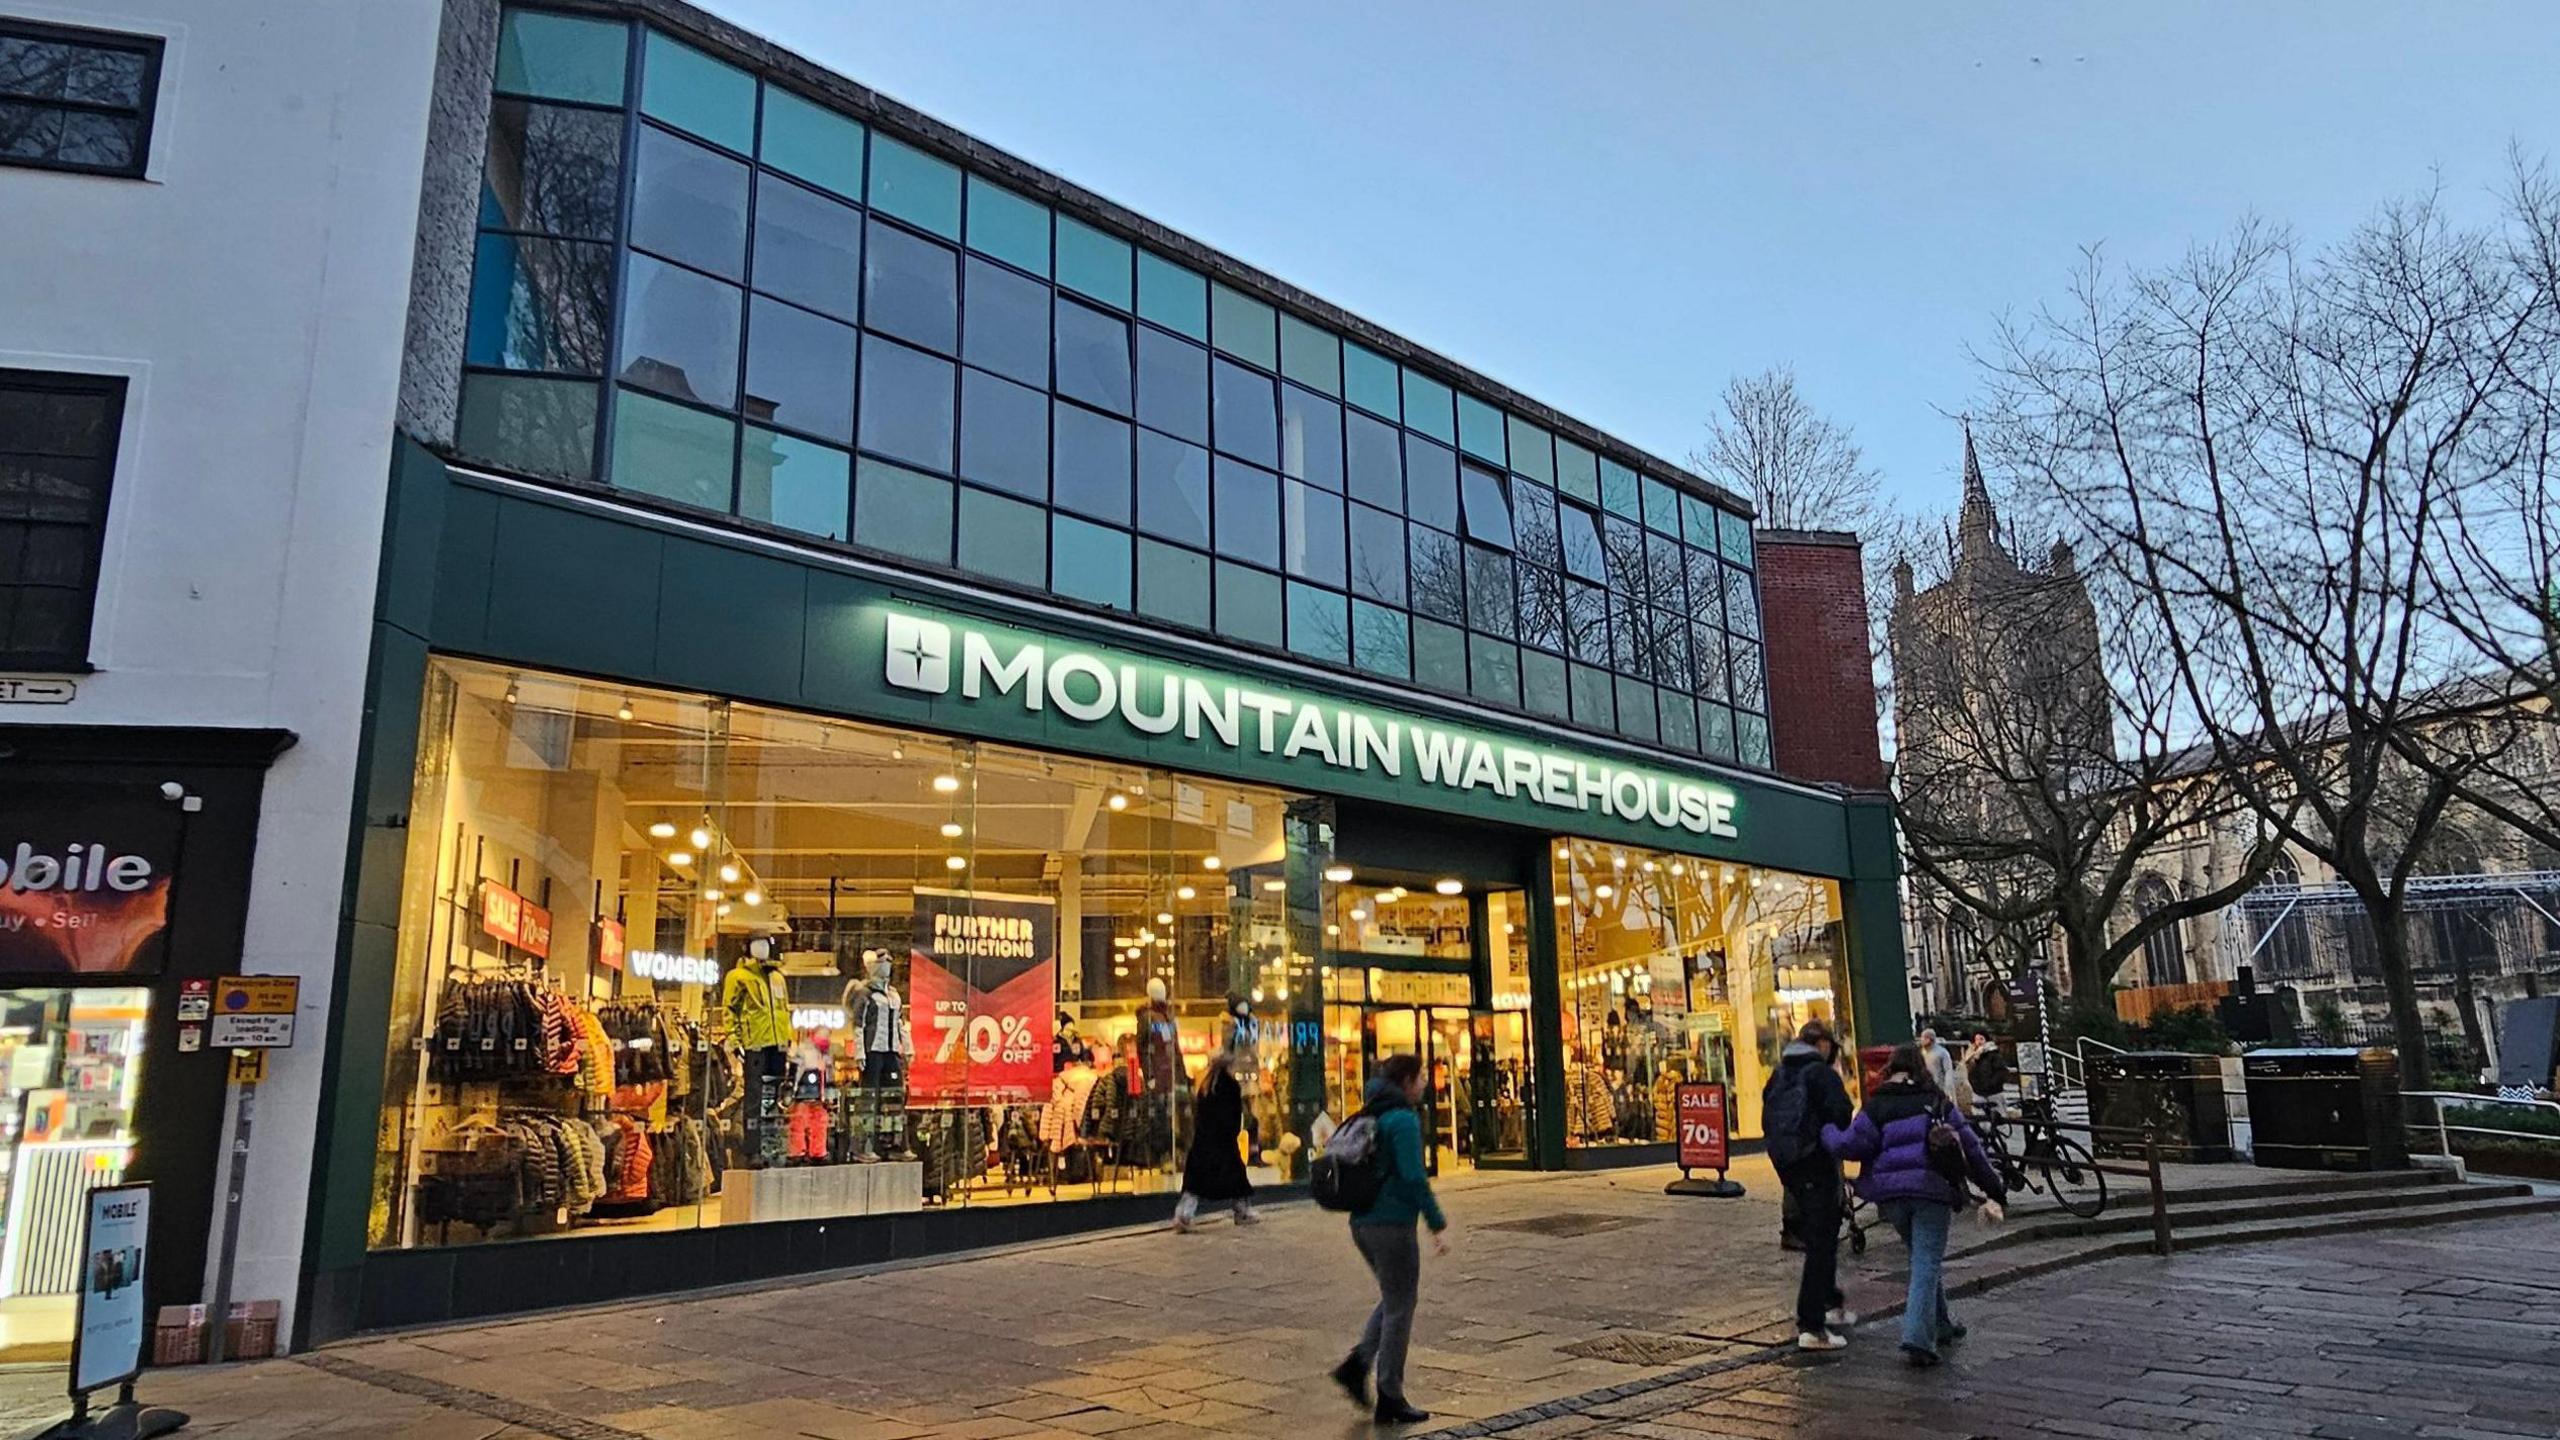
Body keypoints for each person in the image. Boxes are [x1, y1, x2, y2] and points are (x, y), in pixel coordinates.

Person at [1823, 1042, 2006, 1368]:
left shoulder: (1876, 1106)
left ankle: (1942, 1323)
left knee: (1923, 1258)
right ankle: (1918, 1337)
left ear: (1890, 1069)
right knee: (1925, 1261)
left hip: (1892, 1197)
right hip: (1930, 1192)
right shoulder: (1936, 1102)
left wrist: (1826, 1130)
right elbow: (1971, 1148)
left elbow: (1850, 1145)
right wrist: (1994, 1188)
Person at [1329, 1054, 1448, 1427]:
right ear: (1407, 1080)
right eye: (1422, 1077)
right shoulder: (1403, 1120)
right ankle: (1389, 1394)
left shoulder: (1373, 1113)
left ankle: (1357, 1365)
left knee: (1394, 1298)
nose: (1426, 1083)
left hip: (1362, 1222)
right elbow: (1413, 1177)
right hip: (1392, 1224)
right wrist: (1436, 1221)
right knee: (1401, 1306)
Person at [1762, 1020, 1857, 1350]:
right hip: (1816, 1162)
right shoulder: (1819, 1074)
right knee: (1822, 1241)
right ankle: (1812, 1324)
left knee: (1819, 1233)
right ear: (1823, 1045)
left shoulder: (1780, 1073)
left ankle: (1830, 1301)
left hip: (1789, 1166)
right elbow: (1842, 1114)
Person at [1173, 1052, 1256, 1231]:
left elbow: (1199, 1114)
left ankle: (1184, 1214)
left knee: (1196, 1181)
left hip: (1203, 1139)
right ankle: (1242, 1211)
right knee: (1235, 1177)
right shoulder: (1230, 1086)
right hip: (1223, 1140)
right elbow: (1233, 1115)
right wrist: (1234, 1132)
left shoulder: (1205, 1085)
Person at [1963, 1032, 2011, 1106]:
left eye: (1981, 1039)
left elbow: (2001, 1072)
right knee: (1979, 1116)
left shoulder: (1994, 1055)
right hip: (1978, 1092)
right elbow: (1971, 1073)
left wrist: (1991, 1084)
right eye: (1976, 1039)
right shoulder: (1973, 1057)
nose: (1979, 1042)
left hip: (1994, 1093)